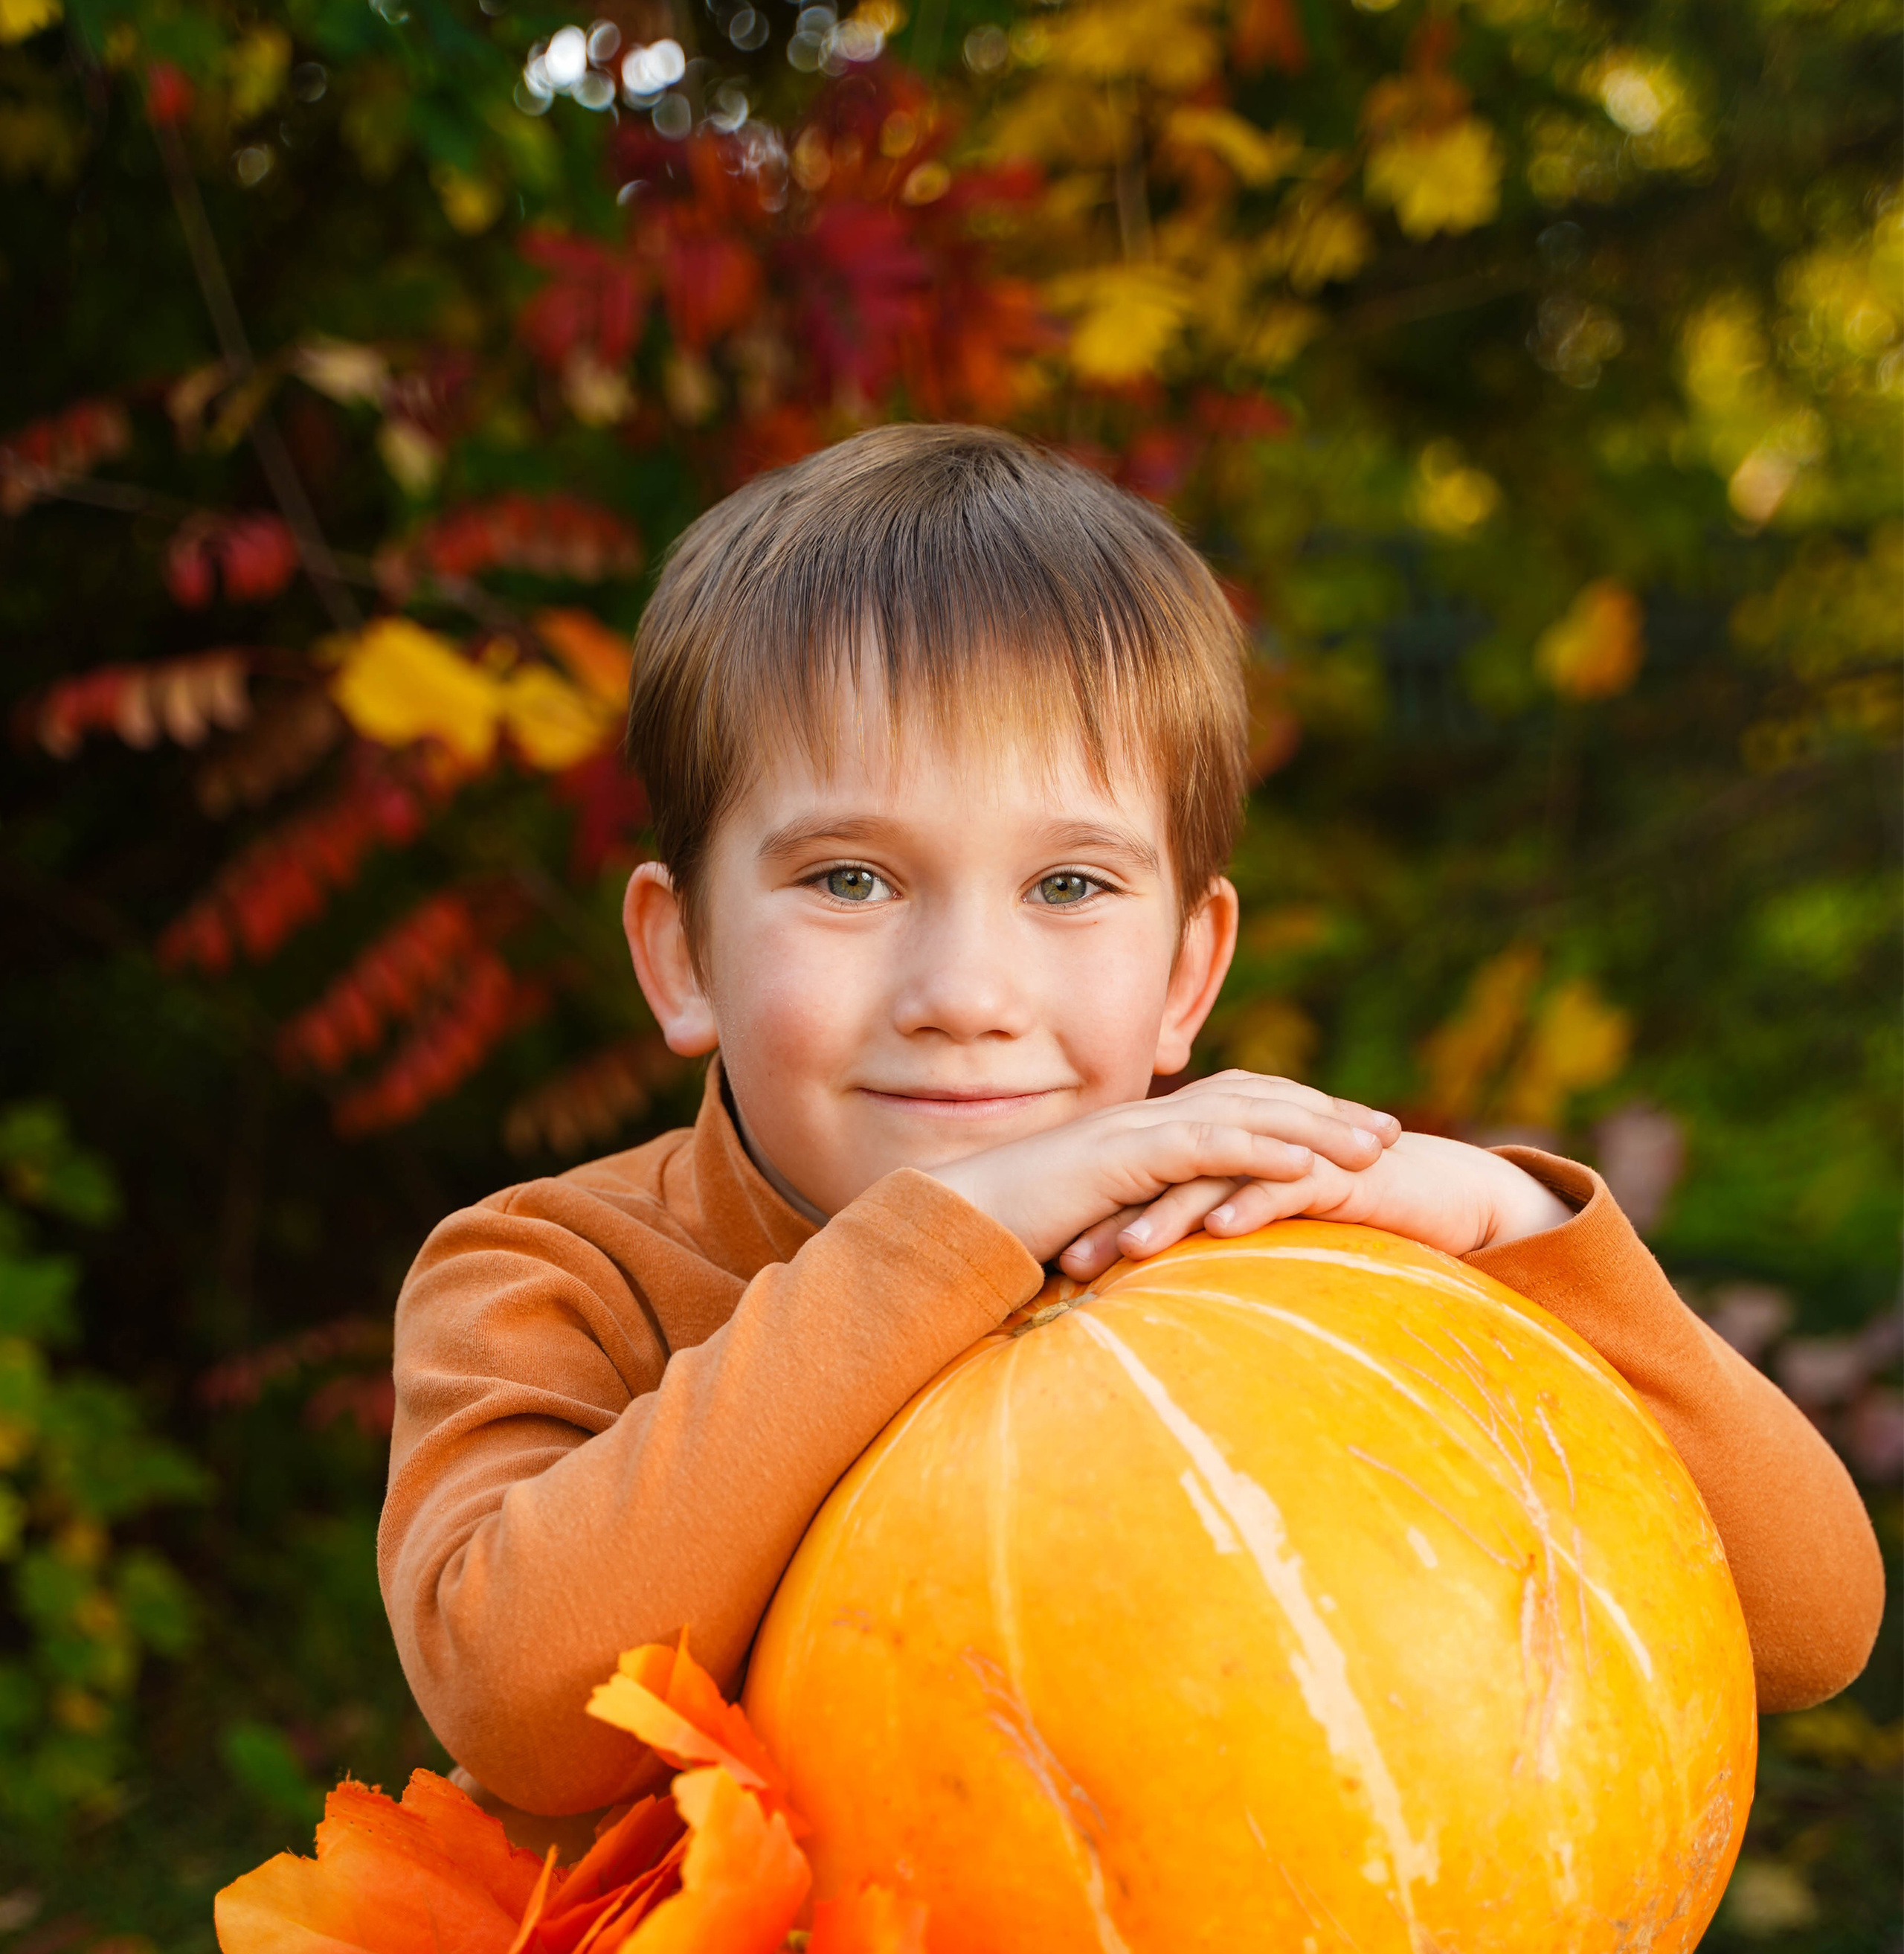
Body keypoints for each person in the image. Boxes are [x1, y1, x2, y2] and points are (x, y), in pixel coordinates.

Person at [379, 422, 1883, 1857]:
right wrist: (957, 1240)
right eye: (848, 880)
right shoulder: (555, 1276)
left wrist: (1512, 1224)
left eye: (1068, 887)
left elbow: (1808, 1624)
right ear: (681, 954)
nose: (966, 995)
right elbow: (525, 1706)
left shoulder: (1268, 1266)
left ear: (1185, 975)